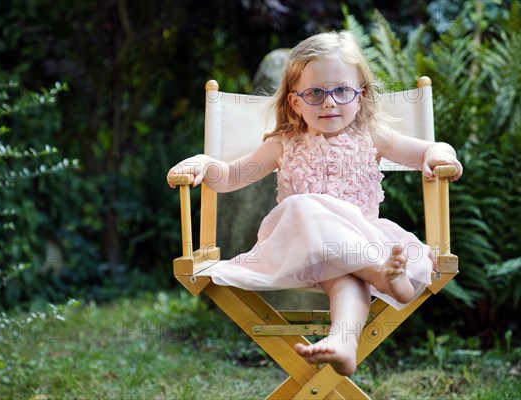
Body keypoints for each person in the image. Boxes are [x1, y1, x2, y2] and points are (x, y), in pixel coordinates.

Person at [167, 31, 462, 376]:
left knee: (348, 282)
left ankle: (343, 342)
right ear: (295, 102)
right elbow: (232, 176)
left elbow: (428, 149)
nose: (329, 102)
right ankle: (382, 275)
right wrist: (204, 163)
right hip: (304, 247)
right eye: (315, 93)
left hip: (360, 245)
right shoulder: (283, 144)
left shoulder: (374, 137)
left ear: (360, 95)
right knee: (303, 206)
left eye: (341, 91)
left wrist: (441, 155)